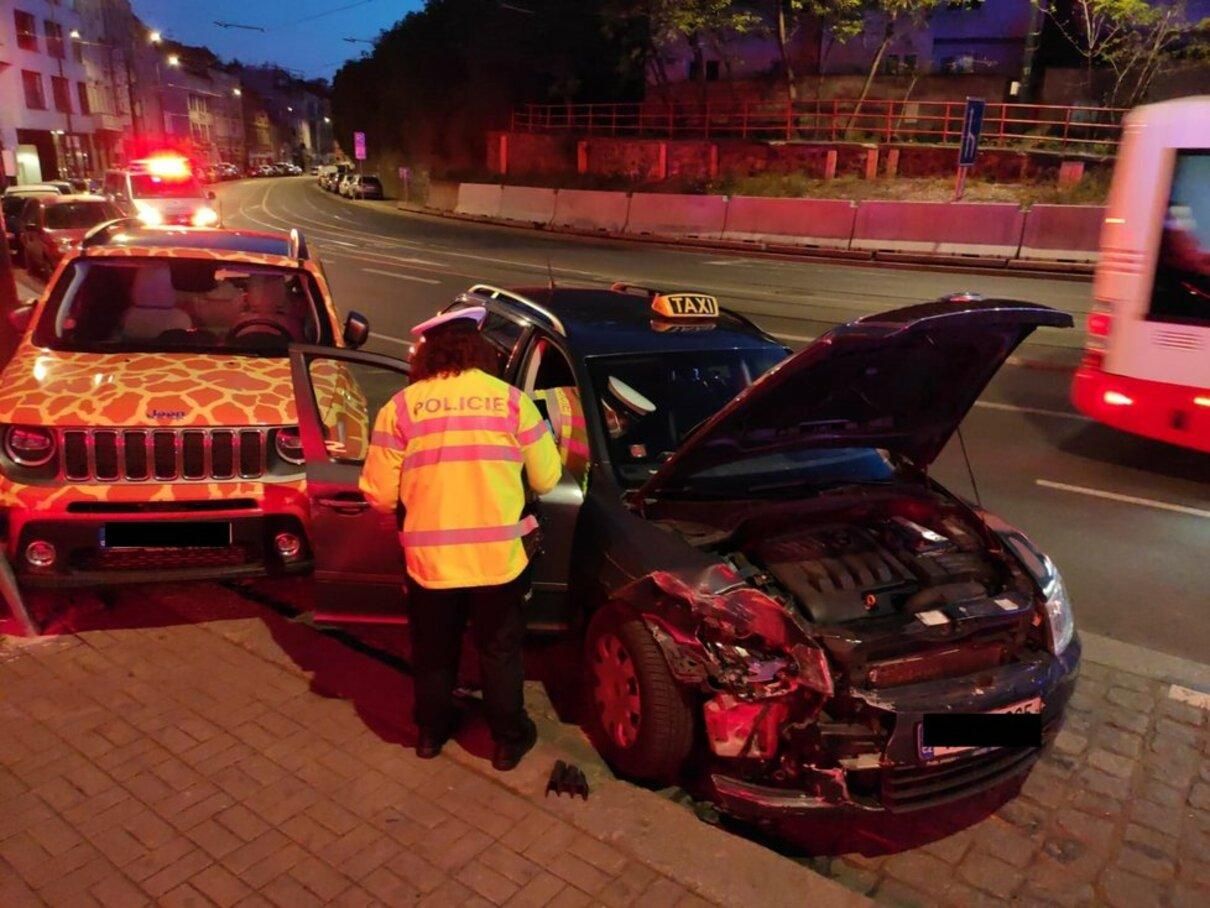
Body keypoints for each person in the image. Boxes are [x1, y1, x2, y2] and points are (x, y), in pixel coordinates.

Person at [359, 307, 562, 770]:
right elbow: (548, 480)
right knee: (499, 649)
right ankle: (509, 740)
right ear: (482, 351)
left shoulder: (402, 407)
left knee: (434, 650)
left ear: (427, 354)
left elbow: (377, 495)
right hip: (498, 559)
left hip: (431, 563)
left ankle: (431, 732)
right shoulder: (512, 402)